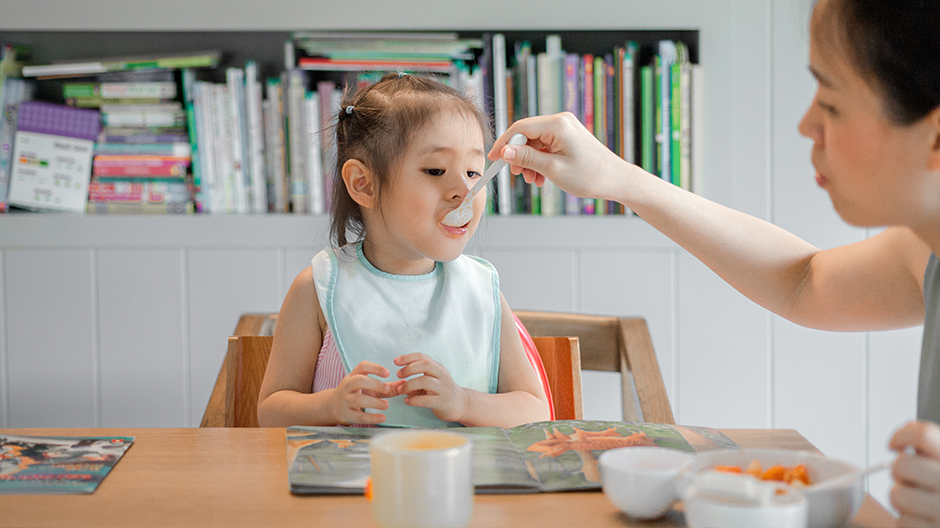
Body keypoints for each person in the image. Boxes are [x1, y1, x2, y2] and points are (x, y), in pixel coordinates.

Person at [488, 0, 939, 525]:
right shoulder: (923, 250)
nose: (806, 124)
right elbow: (802, 280)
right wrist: (616, 178)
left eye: (832, 103)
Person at [257, 73, 549, 430]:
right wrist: (329, 406)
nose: (464, 190)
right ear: (363, 184)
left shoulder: (481, 289)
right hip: (351, 483)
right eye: (436, 170)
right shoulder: (317, 289)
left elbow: (535, 411)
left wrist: (462, 402)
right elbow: (271, 411)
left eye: (474, 172)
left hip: (463, 482)